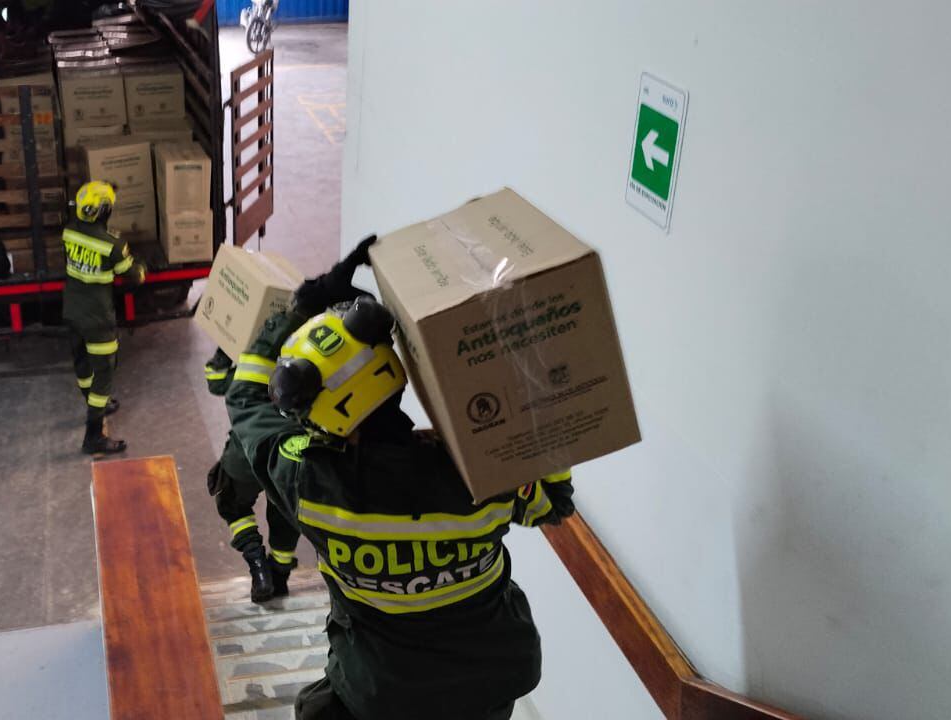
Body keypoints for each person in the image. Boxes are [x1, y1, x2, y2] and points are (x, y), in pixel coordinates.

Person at [225, 237, 577, 720]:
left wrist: (305, 301)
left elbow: (244, 398)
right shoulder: (482, 473)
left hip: (385, 692)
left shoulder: (309, 485)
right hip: (492, 680)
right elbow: (554, 502)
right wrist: (526, 410)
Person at [203, 350, 301, 602]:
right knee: (286, 512)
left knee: (232, 502)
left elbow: (215, 381)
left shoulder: (257, 358)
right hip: (291, 453)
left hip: (248, 450)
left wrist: (226, 347)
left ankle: (258, 567)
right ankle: (279, 575)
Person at [63, 181, 144, 455]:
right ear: (105, 211)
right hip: (98, 320)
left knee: (82, 365)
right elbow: (133, 278)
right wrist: (142, 267)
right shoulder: (112, 245)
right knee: (104, 376)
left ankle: (92, 403)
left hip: (72, 313)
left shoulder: (69, 232)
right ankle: (93, 436)